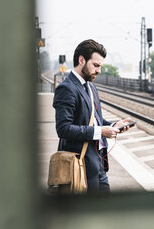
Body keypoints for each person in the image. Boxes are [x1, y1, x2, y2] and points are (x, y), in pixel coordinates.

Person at [53, 39, 132, 192]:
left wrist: (112, 125)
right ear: (81, 60)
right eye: (96, 65)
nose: (99, 71)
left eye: (100, 66)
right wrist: (100, 132)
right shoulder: (66, 88)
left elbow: (95, 119)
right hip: (81, 166)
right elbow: (63, 129)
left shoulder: (91, 87)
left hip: (99, 165)